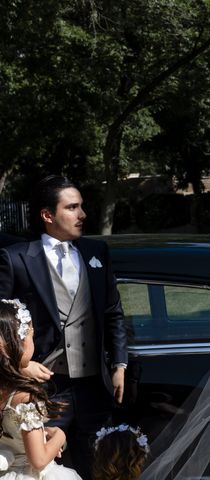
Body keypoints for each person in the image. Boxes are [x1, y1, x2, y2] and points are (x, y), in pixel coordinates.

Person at [0, 176, 128, 480]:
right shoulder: (16, 258)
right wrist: (23, 364)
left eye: (81, 206)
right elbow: (1, 322)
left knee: (100, 468)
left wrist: (119, 363)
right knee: (41, 467)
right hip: (42, 387)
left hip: (94, 385)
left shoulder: (97, 252)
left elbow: (113, 311)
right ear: (48, 215)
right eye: (72, 207)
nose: (82, 214)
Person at [0, 298, 81, 479]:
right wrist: (60, 435)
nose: (32, 340)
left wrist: (43, 433)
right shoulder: (25, 397)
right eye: (30, 334)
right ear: (18, 343)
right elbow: (38, 459)